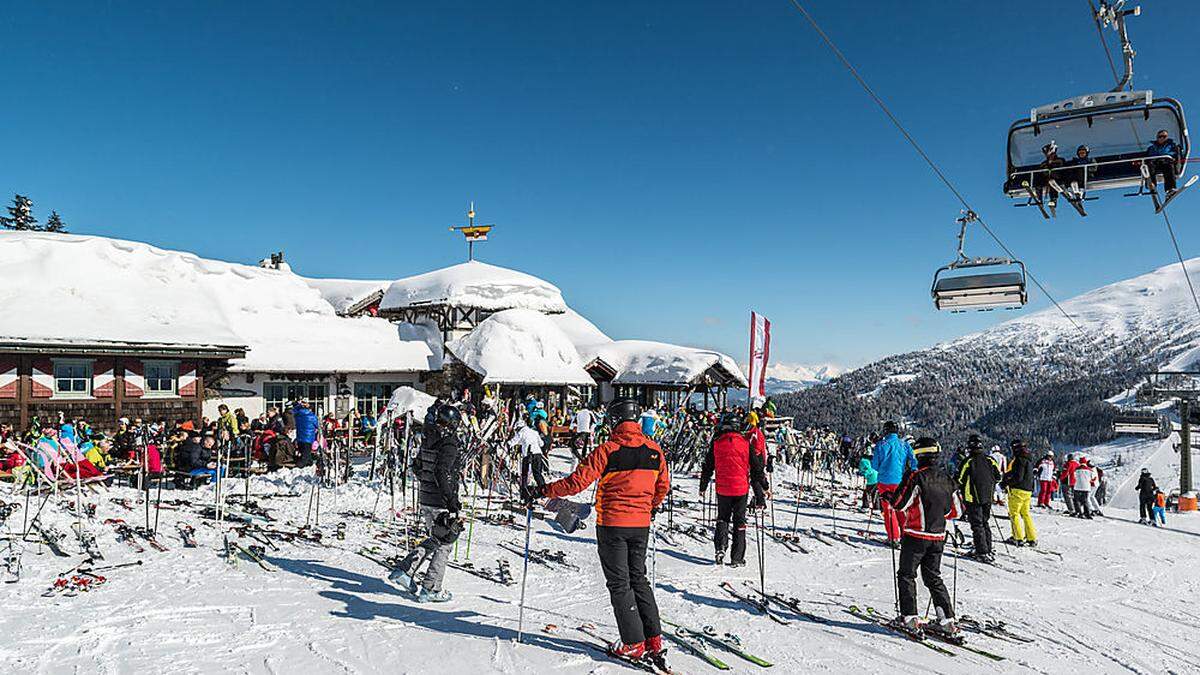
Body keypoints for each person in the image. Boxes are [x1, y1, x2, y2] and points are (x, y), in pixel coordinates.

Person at [526, 398, 670, 667]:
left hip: (613, 523)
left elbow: (576, 483)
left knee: (620, 582)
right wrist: (650, 505)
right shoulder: (654, 450)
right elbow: (663, 484)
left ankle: (632, 643)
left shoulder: (608, 449)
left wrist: (544, 490)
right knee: (638, 578)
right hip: (640, 524)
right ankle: (653, 639)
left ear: (615, 421)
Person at [889, 437, 964, 636]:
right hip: (938, 536)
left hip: (915, 534)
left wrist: (890, 497)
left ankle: (910, 618)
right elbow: (957, 511)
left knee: (907, 574)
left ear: (918, 455)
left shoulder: (915, 476)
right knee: (933, 577)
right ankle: (947, 620)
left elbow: (900, 504)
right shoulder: (947, 478)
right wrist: (939, 514)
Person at [389, 405, 463, 603]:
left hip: (427, 497)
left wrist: (427, 482)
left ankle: (405, 570)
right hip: (440, 499)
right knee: (445, 544)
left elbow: (417, 466)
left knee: (437, 539)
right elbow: (441, 471)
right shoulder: (449, 443)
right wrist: (451, 500)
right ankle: (431, 588)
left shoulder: (428, 438)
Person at [699, 412, 768, 567]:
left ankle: (720, 547)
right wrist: (764, 486)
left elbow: (708, 466)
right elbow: (757, 468)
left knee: (722, 518)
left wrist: (703, 485)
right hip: (741, 488)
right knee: (739, 521)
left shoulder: (716, 443)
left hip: (722, 488)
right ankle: (737, 557)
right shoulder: (745, 443)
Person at [871, 421, 917, 547]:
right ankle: (905, 536)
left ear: (886, 430)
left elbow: (874, 465)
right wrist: (911, 472)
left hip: (884, 482)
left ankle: (893, 537)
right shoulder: (904, 444)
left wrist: (882, 467)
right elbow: (914, 461)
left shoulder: (881, 444)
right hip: (900, 481)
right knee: (901, 508)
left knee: (888, 510)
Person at [957, 435, 1001, 563]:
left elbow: (959, 479)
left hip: (972, 497)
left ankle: (981, 551)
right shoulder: (990, 460)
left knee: (977, 525)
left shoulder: (968, 461)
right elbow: (998, 477)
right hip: (987, 496)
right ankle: (987, 547)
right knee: (985, 522)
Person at [1002, 440, 1037, 547]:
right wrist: (1009, 474)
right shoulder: (1028, 459)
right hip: (1028, 490)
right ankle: (1032, 538)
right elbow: (1020, 472)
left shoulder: (1019, 460)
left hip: (1018, 490)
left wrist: (1006, 482)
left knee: (1014, 514)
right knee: (1025, 514)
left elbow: (1018, 477)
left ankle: (1018, 538)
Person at [510, 416, 547, 491]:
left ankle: (524, 489)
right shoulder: (534, 432)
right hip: (538, 454)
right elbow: (541, 444)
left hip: (528, 455)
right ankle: (544, 489)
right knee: (537, 473)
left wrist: (506, 444)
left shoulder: (521, 432)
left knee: (524, 473)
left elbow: (513, 442)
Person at [1144, 129, 1182, 194]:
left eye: (1164, 136)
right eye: (1160, 136)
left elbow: (1177, 155)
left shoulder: (1172, 146)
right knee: (1149, 166)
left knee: (1169, 167)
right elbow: (1146, 157)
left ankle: (1170, 188)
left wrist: (1176, 162)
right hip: (1155, 163)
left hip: (1166, 162)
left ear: (1167, 137)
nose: (1162, 138)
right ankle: (1151, 184)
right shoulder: (1151, 148)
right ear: (1157, 138)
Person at [1036, 142, 1066, 211]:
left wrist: (1051, 164)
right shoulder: (1043, 163)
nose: (1047, 154)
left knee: (1052, 182)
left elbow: (1062, 167)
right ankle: (1039, 199)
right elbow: (1040, 171)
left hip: (1058, 178)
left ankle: (1053, 199)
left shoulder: (1060, 160)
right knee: (1038, 182)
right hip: (1046, 178)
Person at [292, 400, 318, 468]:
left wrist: (299, 405)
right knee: (305, 455)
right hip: (308, 438)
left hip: (300, 437)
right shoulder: (312, 416)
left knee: (304, 453)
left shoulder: (298, 415)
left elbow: (294, 410)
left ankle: (309, 464)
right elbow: (317, 425)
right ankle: (299, 466)